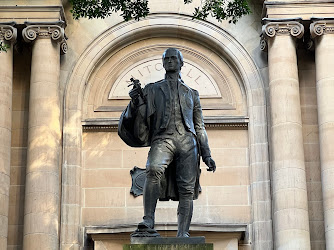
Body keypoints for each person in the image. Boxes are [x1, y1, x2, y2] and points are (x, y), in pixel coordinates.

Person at [118, 48, 216, 237]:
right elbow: (140, 114)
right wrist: (135, 102)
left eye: (174, 58)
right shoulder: (152, 89)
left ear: (181, 63)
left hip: (188, 141)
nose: (170, 61)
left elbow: (199, 126)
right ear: (163, 63)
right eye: (167, 59)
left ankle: (183, 233)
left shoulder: (192, 93)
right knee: (153, 169)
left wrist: (207, 155)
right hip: (163, 138)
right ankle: (148, 220)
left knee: (186, 188)